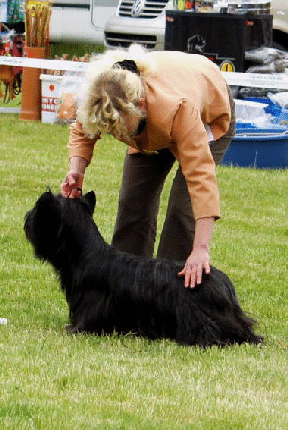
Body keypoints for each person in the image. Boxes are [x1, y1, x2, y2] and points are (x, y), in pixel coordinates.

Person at [61, 44, 235, 289]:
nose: (115, 133)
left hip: (207, 110)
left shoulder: (178, 109)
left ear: (140, 105)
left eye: (119, 126)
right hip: (149, 130)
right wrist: (76, 170)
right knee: (132, 204)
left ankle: (170, 292)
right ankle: (125, 291)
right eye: (110, 129)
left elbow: (201, 180)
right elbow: (82, 131)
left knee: (180, 211)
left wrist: (201, 249)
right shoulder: (103, 92)